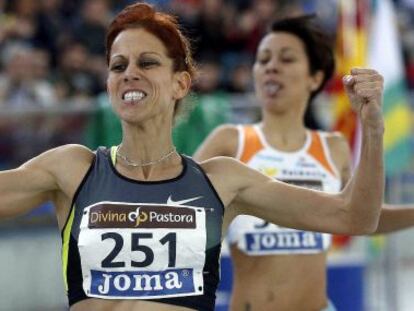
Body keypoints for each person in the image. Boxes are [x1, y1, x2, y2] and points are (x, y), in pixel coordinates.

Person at [0, 4, 385, 311]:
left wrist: (371, 127)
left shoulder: (220, 181)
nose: (129, 74)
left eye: (147, 63)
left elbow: (355, 216)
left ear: (180, 82)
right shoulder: (72, 169)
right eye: (118, 66)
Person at [194, 15, 413, 311]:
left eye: (286, 59)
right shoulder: (229, 141)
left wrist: (374, 128)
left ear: (315, 77)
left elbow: (362, 216)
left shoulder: (333, 147)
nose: (271, 66)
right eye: (263, 59)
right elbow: (179, 214)